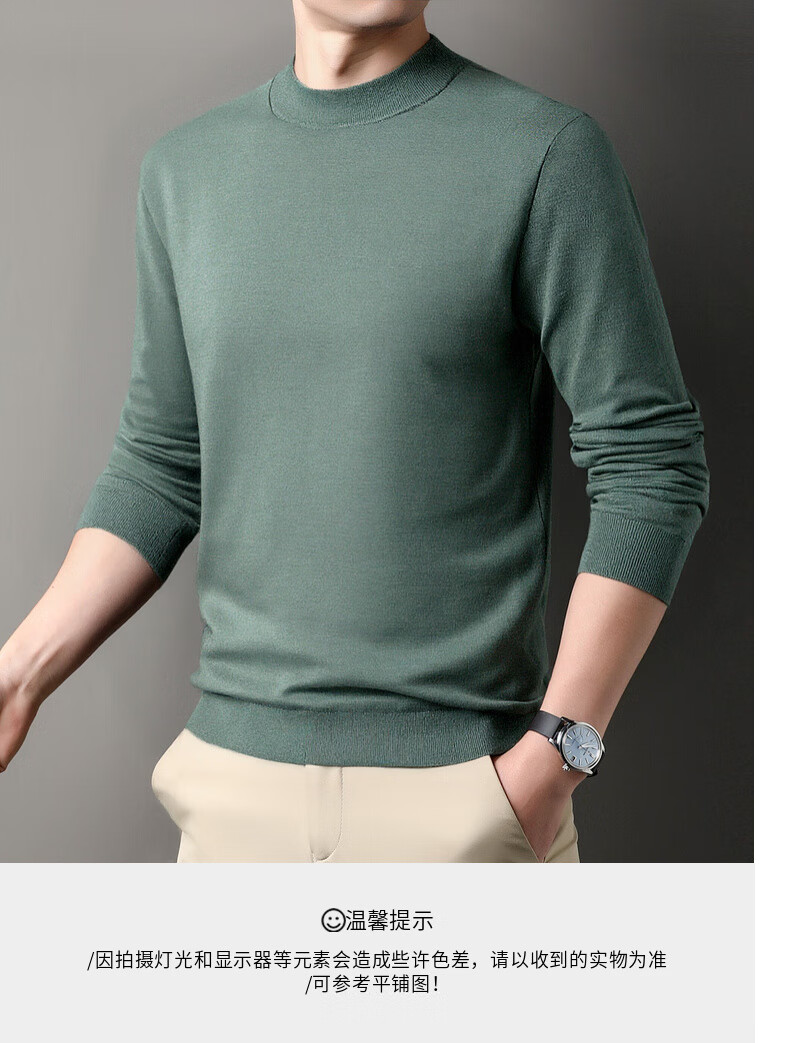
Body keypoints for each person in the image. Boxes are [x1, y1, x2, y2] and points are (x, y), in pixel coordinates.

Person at [0, 1, 710, 863]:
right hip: (233, 794)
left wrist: (556, 756)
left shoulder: (545, 152)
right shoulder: (185, 171)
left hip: (467, 793)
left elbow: (651, 461)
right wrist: (19, 674)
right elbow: (163, 465)